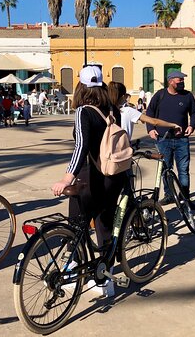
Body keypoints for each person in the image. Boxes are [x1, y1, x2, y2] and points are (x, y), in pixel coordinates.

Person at [51, 66, 127, 298]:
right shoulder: (112, 109)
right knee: (104, 226)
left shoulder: (84, 111)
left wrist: (67, 178)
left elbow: (81, 146)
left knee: (76, 225)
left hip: (89, 178)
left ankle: (73, 275)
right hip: (113, 175)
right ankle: (105, 281)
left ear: (81, 87)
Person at [145, 71, 195, 209]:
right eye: (179, 80)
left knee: (183, 169)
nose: (181, 83)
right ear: (170, 81)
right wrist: (150, 128)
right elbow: (149, 113)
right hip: (163, 140)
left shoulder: (187, 96)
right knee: (166, 169)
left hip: (182, 139)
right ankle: (169, 195)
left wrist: (191, 126)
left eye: (182, 81)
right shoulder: (160, 95)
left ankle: (185, 198)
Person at [108, 82, 181, 139]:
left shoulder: (106, 111)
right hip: (122, 152)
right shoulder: (128, 111)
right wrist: (173, 125)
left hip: (105, 152)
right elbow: (154, 121)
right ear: (123, 96)